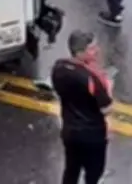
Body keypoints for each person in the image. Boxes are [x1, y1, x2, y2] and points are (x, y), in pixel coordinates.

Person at [50, 30, 113, 184]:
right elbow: (107, 108)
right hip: (93, 136)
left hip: (70, 132)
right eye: (92, 48)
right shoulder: (91, 78)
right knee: (94, 173)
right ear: (79, 52)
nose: (97, 51)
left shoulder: (59, 68)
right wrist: (109, 88)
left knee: (71, 169)